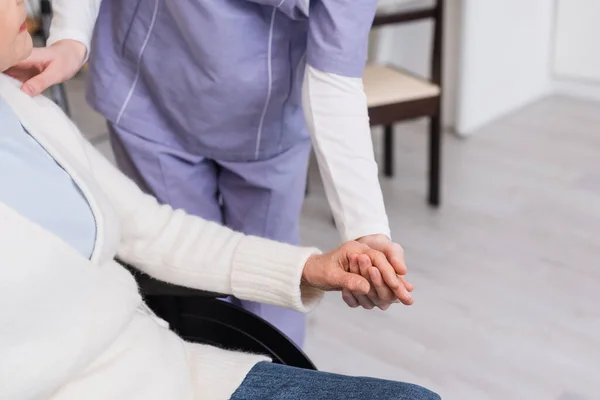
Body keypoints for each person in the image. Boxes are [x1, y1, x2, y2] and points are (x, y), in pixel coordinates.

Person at [0, 2, 441, 399]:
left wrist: (359, 235)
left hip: (265, 114)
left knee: (268, 302)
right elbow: (156, 242)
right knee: (192, 296)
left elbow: (335, 79)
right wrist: (72, 36)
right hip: (150, 86)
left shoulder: (28, 115)